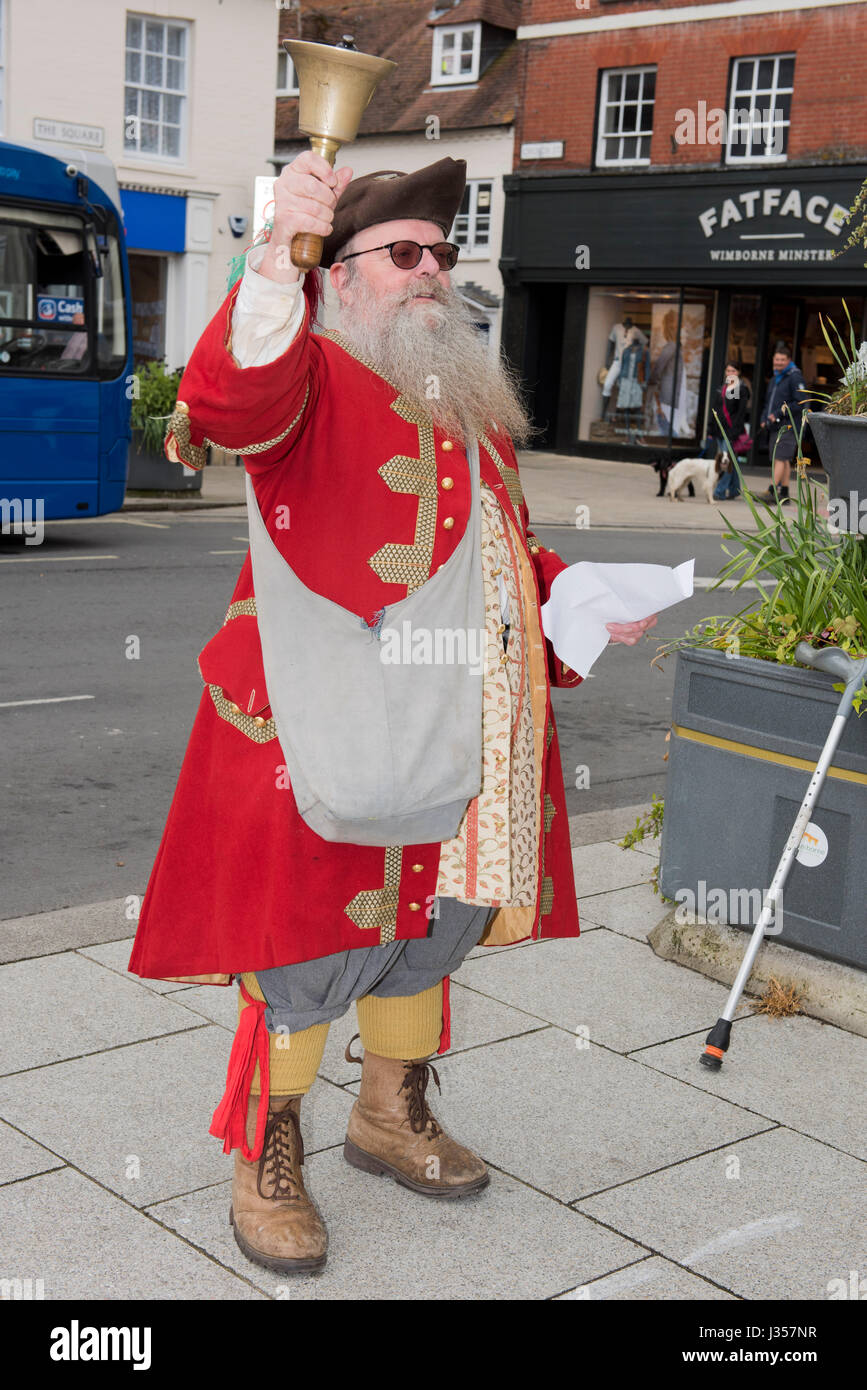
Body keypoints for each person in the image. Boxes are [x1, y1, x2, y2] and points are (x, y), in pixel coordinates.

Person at [128, 150, 657, 1276]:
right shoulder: (304, 369)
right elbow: (229, 398)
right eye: (403, 253)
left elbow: (494, 549)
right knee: (306, 940)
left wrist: (571, 596)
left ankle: (389, 1110)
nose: (432, 274)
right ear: (343, 274)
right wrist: (278, 255)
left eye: (443, 255)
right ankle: (267, 1150)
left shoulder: (466, 397)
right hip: (316, 728)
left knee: (428, 925)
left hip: (451, 731)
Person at [757, 341, 807, 504]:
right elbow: (768, 403)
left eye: (782, 360)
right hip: (776, 425)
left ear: (788, 360)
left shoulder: (794, 376)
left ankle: (771, 491)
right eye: (776, 359)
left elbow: (800, 402)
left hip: (788, 425)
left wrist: (778, 414)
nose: (778, 362)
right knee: (783, 459)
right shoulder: (775, 378)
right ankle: (784, 494)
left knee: (779, 458)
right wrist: (765, 418)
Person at [712, 359, 751, 501]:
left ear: (738, 372)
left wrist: (733, 432)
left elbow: (740, 414)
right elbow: (716, 409)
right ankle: (734, 489)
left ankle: (720, 491)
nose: (730, 373)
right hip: (720, 431)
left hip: (731, 433)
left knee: (725, 461)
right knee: (730, 460)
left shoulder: (741, 389)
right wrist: (712, 429)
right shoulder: (723, 388)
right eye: (728, 371)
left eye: (733, 371)